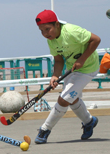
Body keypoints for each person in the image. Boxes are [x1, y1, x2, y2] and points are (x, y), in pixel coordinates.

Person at [34, 10, 100, 144]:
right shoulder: (51, 41)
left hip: (88, 68)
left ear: (57, 24)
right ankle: (89, 121)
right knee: (71, 98)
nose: (45, 34)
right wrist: (54, 76)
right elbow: (59, 60)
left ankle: (45, 129)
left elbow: (96, 40)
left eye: (48, 29)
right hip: (72, 69)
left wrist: (82, 59)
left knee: (64, 99)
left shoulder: (71, 31)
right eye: (41, 31)